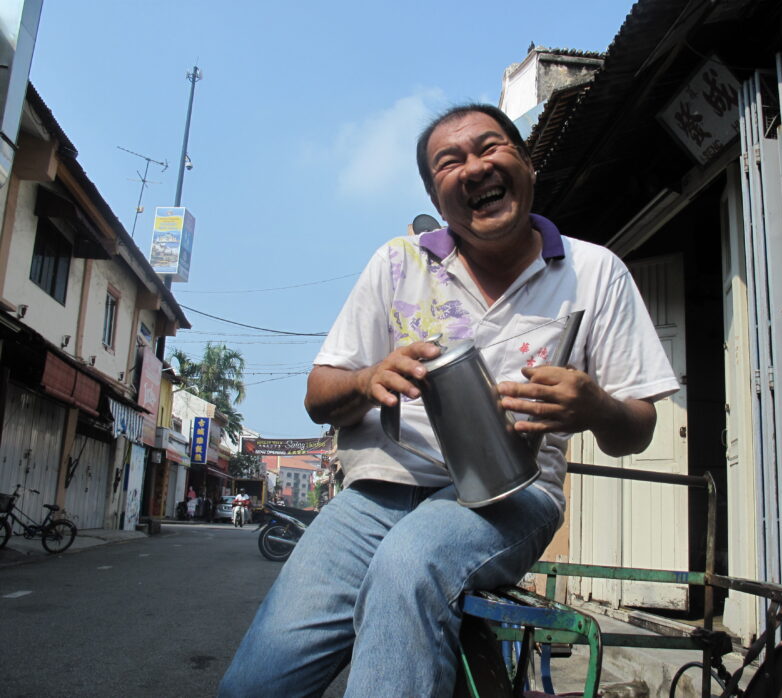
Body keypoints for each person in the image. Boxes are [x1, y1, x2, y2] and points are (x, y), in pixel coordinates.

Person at [219, 104, 678, 696]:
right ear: (438, 200)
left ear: (528, 165)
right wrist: (367, 380)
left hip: (513, 494)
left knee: (410, 566)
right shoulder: (396, 262)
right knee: (253, 685)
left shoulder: (596, 272)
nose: (474, 167)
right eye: (450, 162)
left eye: (490, 148)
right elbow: (317, 395)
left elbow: (635, 430)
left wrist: (597, 407)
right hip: (376, 493)